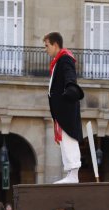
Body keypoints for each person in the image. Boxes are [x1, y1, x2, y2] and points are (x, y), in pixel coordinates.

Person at [43, 32, 84, 184]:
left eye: (47, 46)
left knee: (69, 138)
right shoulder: (57, 62)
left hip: (66, 107)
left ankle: (74, 174)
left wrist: (70, 89)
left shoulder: (65, 58)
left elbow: (69, 76)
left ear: (55, 45)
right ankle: (71, 173)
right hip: (61, 108)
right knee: (64, 139)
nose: (45, 49)